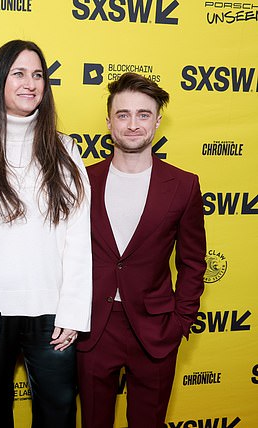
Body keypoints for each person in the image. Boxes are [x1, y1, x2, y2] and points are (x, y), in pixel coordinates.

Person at [0, 40, 92, 428]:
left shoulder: (66, 152)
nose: (30, 83)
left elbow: (78, 238)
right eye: (19, 73)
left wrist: (73, 311)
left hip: (53, 314)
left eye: (38, 74)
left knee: (58, 416)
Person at [76, 72, 207, 428]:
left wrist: (181, 321)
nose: (133, 124)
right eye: (123, 114)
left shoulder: (183, 185)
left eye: (143, 114)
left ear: (158, 120)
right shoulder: (81, 181)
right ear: (108, 121)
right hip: (93, 327)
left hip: (156, 329)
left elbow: (193, 262)